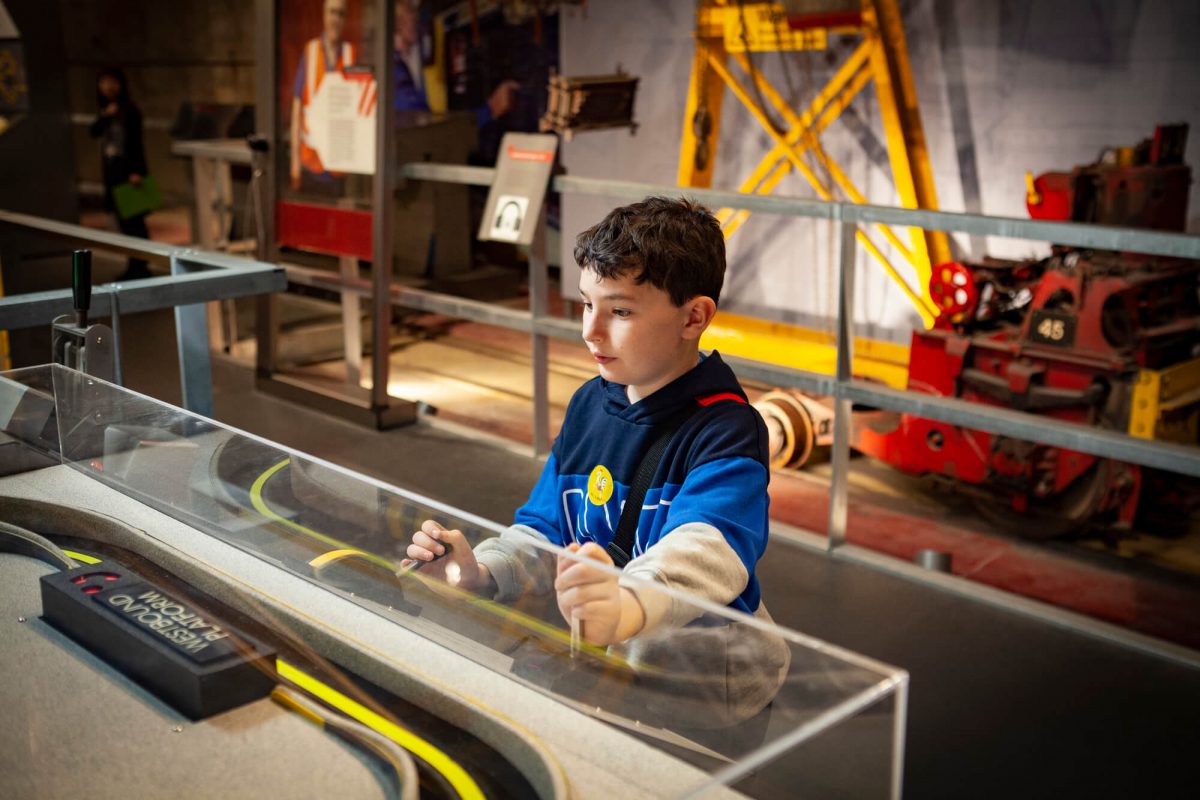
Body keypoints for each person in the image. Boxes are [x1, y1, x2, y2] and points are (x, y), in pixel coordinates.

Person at [404, 197, 781, 651]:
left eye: (620, 312)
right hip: (606, 666)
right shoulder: (589, 403)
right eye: (586, 305)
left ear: (694, 316)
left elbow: (707, 553)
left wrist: (626, 606)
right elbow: (545, 528)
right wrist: (480, 574)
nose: (590, 330)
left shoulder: (726, 431)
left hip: (700, 685)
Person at [89, 67, 151, 280]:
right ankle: (133, 263)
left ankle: (141, 264)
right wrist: (106, 116)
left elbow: (136, 144)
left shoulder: (130, 111)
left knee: (135, 223)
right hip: (112, 174)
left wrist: (137, 171)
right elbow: (94, 131)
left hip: (129, 174)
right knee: (124, 222)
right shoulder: (106, 111)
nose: (108, 87)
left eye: (112, 82)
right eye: (104, 82)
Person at [290, 0, 357, 190]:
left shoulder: (350, 54)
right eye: (332, 12)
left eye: (340, 14)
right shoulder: (310, 52)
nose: (335, 19)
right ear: (324, 15)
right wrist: (294, 166)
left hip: (339, 165)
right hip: (311, 164)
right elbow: (297, 109)